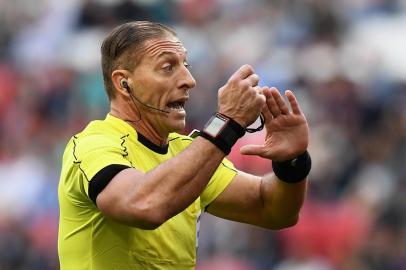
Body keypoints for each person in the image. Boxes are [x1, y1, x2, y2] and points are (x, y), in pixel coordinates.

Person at [58, 21, 311, 270]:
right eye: (168, 67)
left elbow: (272, 209)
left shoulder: (187, 153)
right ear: (124, 83)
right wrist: (226, 124)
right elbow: (144, 205)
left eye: (186, 66)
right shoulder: (93, 144)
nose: (189, 80)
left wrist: (292, 162)